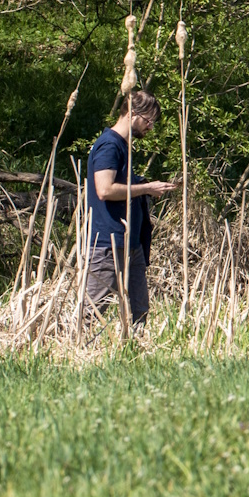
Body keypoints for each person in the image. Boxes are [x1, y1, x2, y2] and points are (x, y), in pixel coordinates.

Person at [84, 89, 172, 325]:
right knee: (91, 313)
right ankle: (80, 354)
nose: (150, 128)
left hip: (130, 243)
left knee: (139, 312)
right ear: (133, 114)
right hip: (107, 243)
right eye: (148, 121)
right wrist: (145, 189)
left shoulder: (122, 145)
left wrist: (142, 184)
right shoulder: (110, 145)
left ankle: (136, 354)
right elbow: (104, 189)